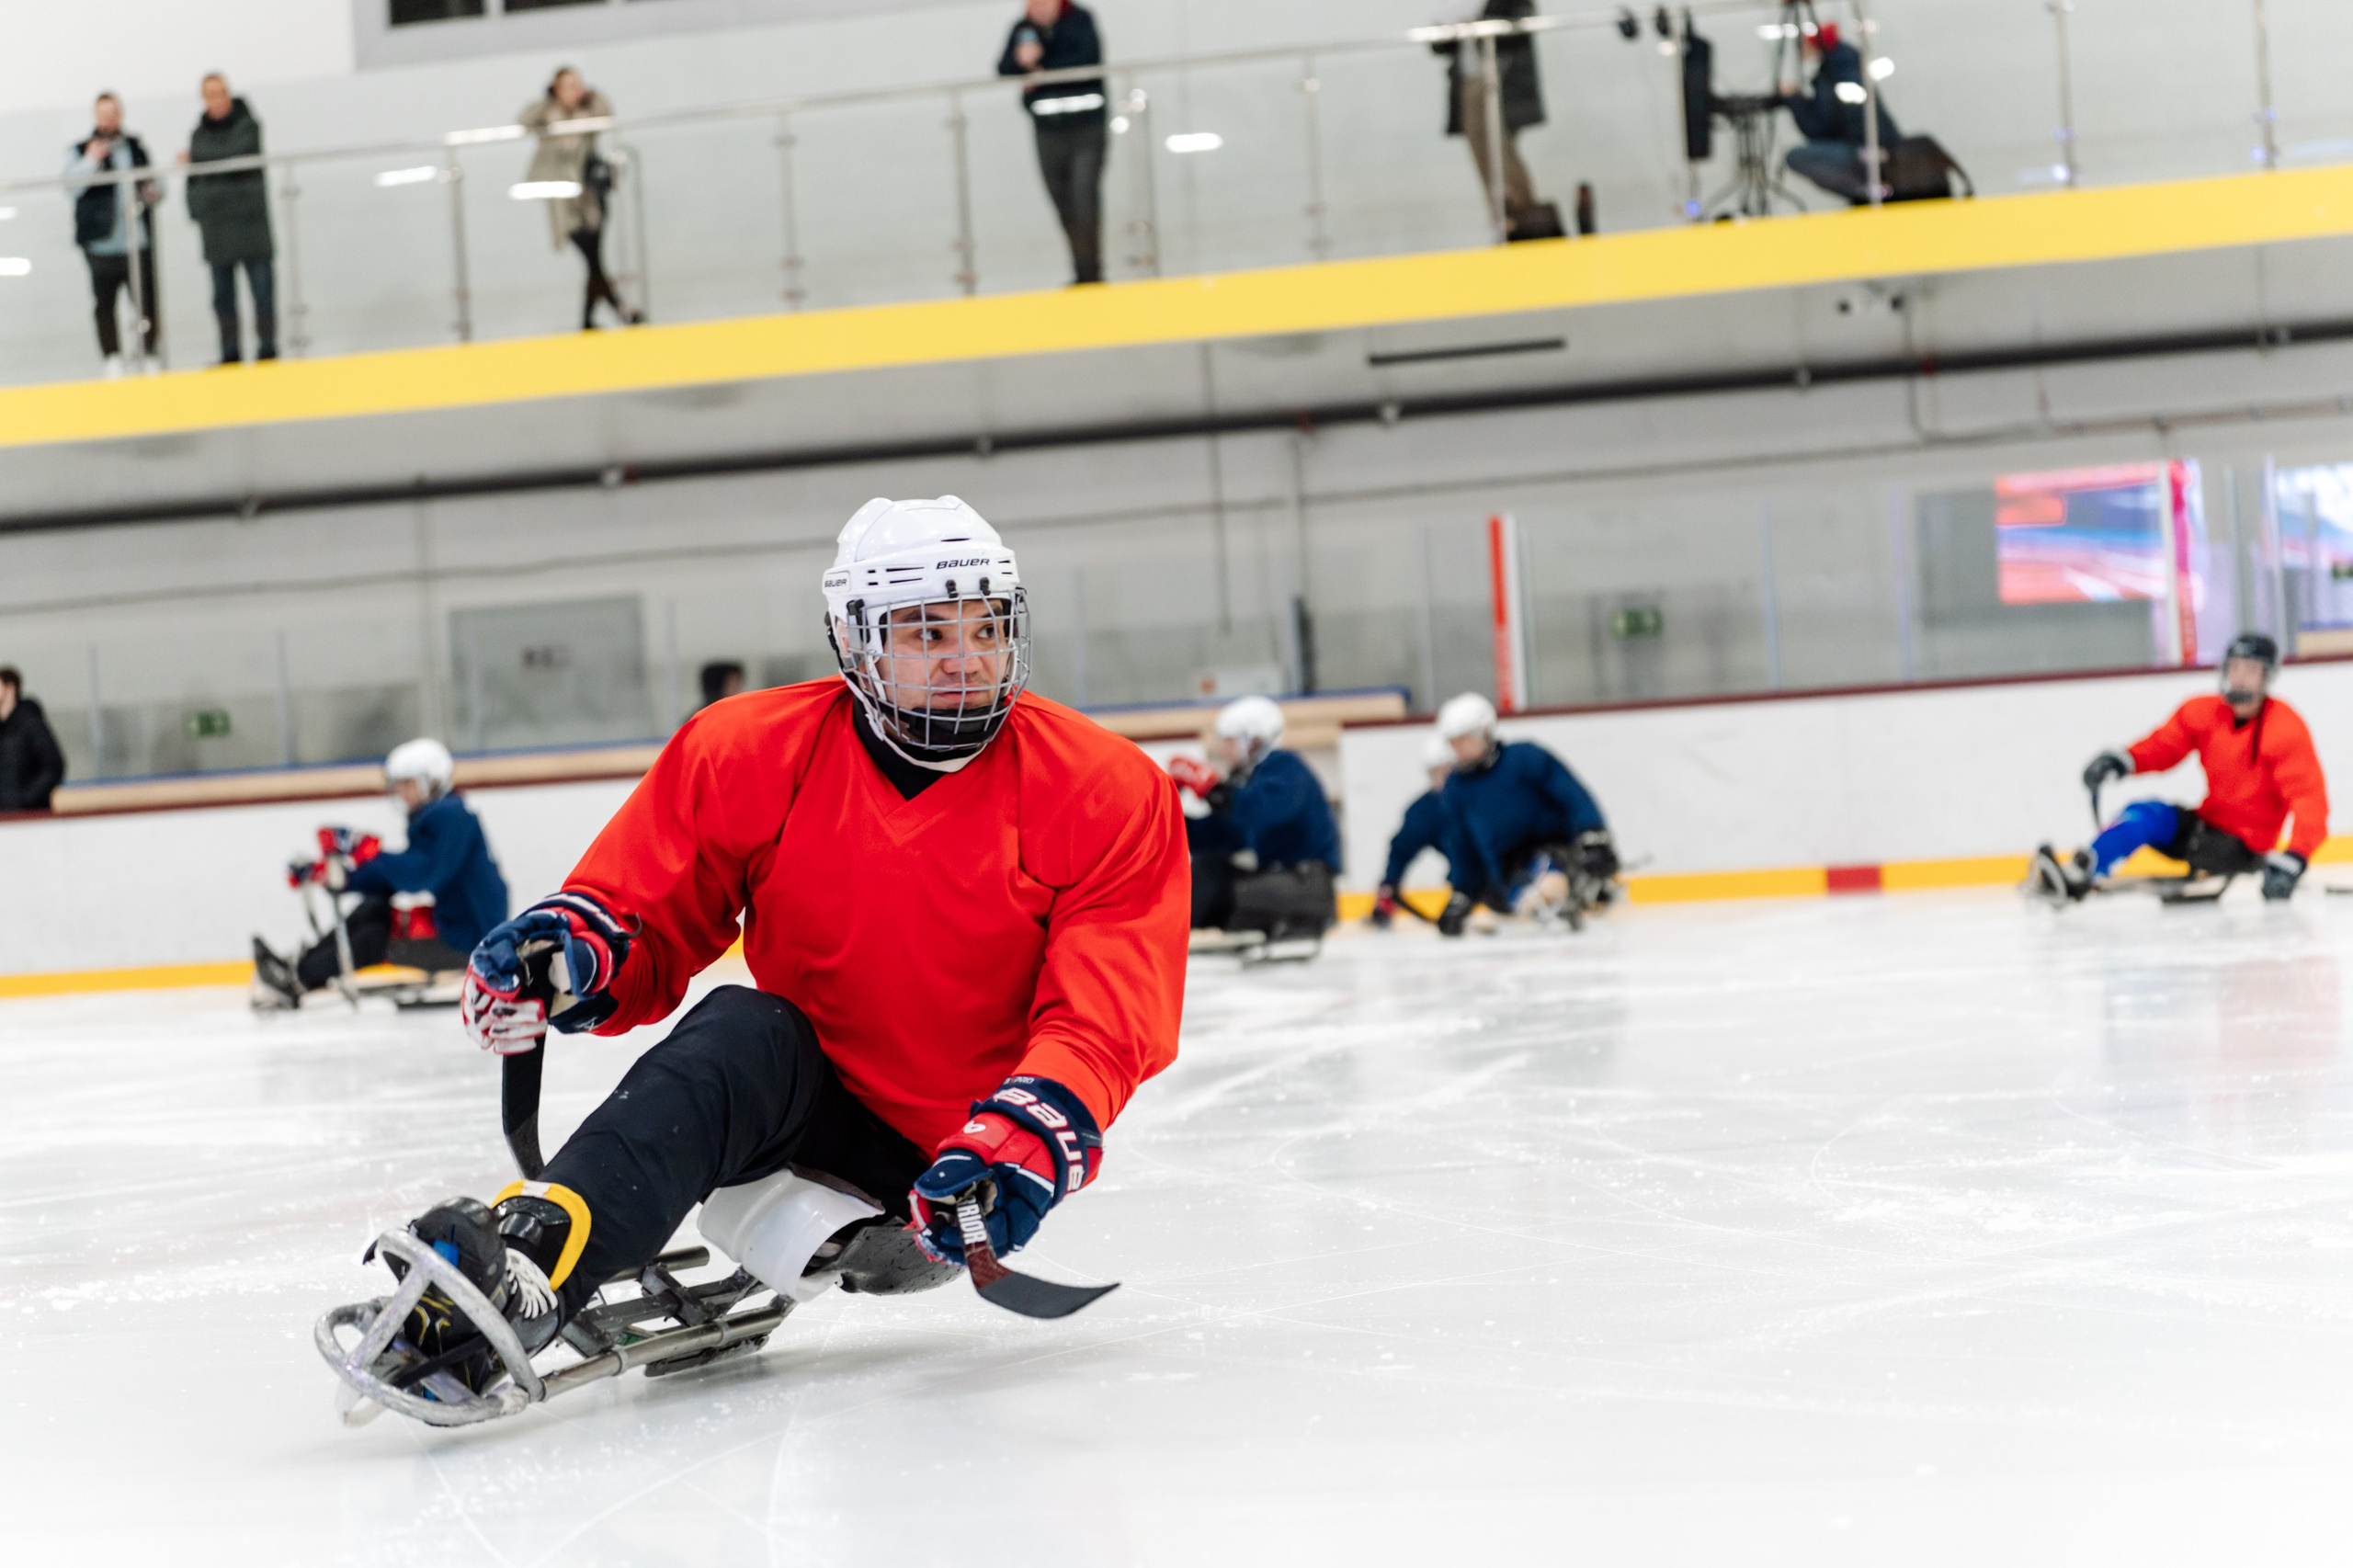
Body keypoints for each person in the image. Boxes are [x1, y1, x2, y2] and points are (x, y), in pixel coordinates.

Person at [351, 496, 1186, 1403]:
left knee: (749, 1035)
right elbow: (643, 912)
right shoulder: (747, 751)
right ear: (852, 637)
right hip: (792, 1098)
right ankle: (521, 1271)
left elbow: (1106, 1015)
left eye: (986, 625)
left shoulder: (1105, 789)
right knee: (737, 1029)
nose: (963, 657)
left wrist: (1021, 1139)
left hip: (948, 1174)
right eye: (924, 629)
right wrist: (570, 957)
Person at [2030, 633, 2326, 905]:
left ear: (2267, 677)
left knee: (2155, 819)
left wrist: (2295, 857)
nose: (2240, 679)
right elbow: (2165, 746)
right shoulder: (2204, 711)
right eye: (2235, 668)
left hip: (2244, 846)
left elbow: (2309, 800)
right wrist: (2123, 761)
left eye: (2250, 671)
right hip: (2207, 825)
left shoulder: (2285, 728)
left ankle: (2080, 874)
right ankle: (2080, 870)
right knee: (2145, 814)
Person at [252, 739, 509, 1006]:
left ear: (433, 781)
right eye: (399, 785)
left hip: (470, 940)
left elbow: (421, 875)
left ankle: (299, 978)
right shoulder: (445, 814)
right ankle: (301, 970)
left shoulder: (450, 816)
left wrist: (362, 847)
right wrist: (341, 876)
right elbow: (398, 875)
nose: (402, 793)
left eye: (409, 784)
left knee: (376, 935)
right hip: (460, 927)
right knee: (375, 909)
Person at [1433, 691, 1616, 934]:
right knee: (1521, 894)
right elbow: (1462, 845)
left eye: (1464, 739)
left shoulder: (1525, 757)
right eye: (1453, 742)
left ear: (1484, 732)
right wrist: (1463, 891)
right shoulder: (1456, 787)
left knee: (1548, 875)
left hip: (1554, 848)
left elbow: (1572, 795)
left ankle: (1570, 894)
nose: (1458, 748)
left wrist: (1593, 833)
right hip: (1507, 868)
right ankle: (1546, 906)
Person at [1182, 695, 1342, 939]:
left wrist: (1214, 791)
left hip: (1307, 887)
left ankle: (1159, 939)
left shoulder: (1287, 767)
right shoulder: (1254, 781)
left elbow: (1259, 812)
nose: (1224, 750)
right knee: (1206, 869)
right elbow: (1223, 834)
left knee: (1208, 879)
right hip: (1283, 885)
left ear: (1255, 740)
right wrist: (1172, 822)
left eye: (1230, 742)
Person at [519, 68, 642, 331]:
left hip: (590, 195)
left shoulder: (588, 111)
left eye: (576, 85)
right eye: (566, 86)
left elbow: (607, 115)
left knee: (594, 261)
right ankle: (616, 311)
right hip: (563, 198)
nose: (572, 90)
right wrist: (549, 99)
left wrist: (589, 95)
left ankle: (591, 320)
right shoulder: (548, 113)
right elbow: (524, 121)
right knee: (594, 261)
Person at [1430, 0, 1563, 242]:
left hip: (1502, 83)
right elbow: (1437, 46)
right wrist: (1452, 25)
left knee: (1503, 156)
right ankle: (1505, 222)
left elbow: (1519, 22)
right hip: (1469, 82)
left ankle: (1523, 221)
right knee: (1484, 157)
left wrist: (1476, 23)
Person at [997, 0, 1109, 286]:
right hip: (1048, 130)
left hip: (1086, 128)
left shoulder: (1079, 20)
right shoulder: (1023, 28)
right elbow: (1004, 67)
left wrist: (1039, 68)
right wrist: (1024, 63)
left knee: (1084, 200)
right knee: (1063, 202)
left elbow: (1087, 58)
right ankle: (1081, 270)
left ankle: (1091, 273)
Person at [177, 74, 277, 366]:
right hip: (217, 228)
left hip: (251, 226)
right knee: (223, 297)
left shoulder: (248, 126)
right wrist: (197, 212)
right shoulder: (199, 134)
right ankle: (229, 351)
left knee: (262, 292)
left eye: (221, 93)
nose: (217, 100)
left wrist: (196, 158)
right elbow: (194, 181)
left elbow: (233, 155)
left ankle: (268, 348)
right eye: (210, 94)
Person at [63, 93, 162, 376]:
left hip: (136, 241)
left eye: (113, 112)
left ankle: (149, 353)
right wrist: (91, 160)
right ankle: (113, 358)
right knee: (104, 304)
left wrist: (152, 191)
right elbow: (71, 187)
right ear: (96, 117)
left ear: (121, 114)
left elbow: (155, 184)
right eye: (103, 114)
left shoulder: (135, 148)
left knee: (145, 301)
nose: (109, 119)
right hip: (102, 244)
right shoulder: (81, 150)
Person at [1777, 22, 1900, 205]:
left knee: (1796, 157)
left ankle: (1866, 193)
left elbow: (1817, 128)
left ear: (1816, 44)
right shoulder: (1848, 66)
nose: (1800, 50)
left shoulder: (1833, 75)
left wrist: (1794, 99)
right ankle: (1868, 191)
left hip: (1869, 151)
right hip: (1880, 147)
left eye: (1803, 43)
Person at [1371, 733, 1465, 926]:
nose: (1444, 778)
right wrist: (1389, 886)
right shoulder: (1424, 810)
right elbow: (1401, 849)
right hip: (1468, 884)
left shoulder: (1481, 797)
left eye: (1448, 771)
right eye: (1437, 772)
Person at [0, 667, 67, 813]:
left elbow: (53, 766)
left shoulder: (30, 723)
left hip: (30, 820)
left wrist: (26, 800)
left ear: (10, 688)